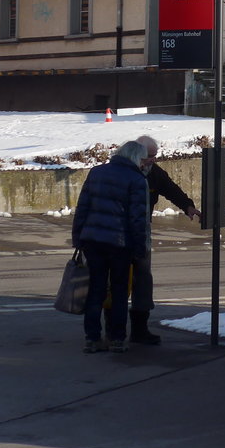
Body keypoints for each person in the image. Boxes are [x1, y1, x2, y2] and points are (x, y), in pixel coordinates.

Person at [71, 140, 152, 354]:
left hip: (93, 240)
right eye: (144, 159)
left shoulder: (96, 172)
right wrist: (139, 247)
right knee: (118, 292)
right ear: (137, 158)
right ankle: (116, 338)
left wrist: (77, 237)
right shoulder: (136, 179)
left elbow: (83, 207)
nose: (145, 164)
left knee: (95, 289)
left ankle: (92, 338)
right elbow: (138, 219)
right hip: (119, 243)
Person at [130, 134, 201, 345]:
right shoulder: (123, 172)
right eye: (149, 156)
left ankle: (139, 331)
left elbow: (170, 188)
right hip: (120, 233)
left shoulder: (154, 172)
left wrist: (187, 205)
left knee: (143, 281)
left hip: (142, 232)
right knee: (117, 282)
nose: (153, 160)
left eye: (155, 155)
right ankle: (113, 332)